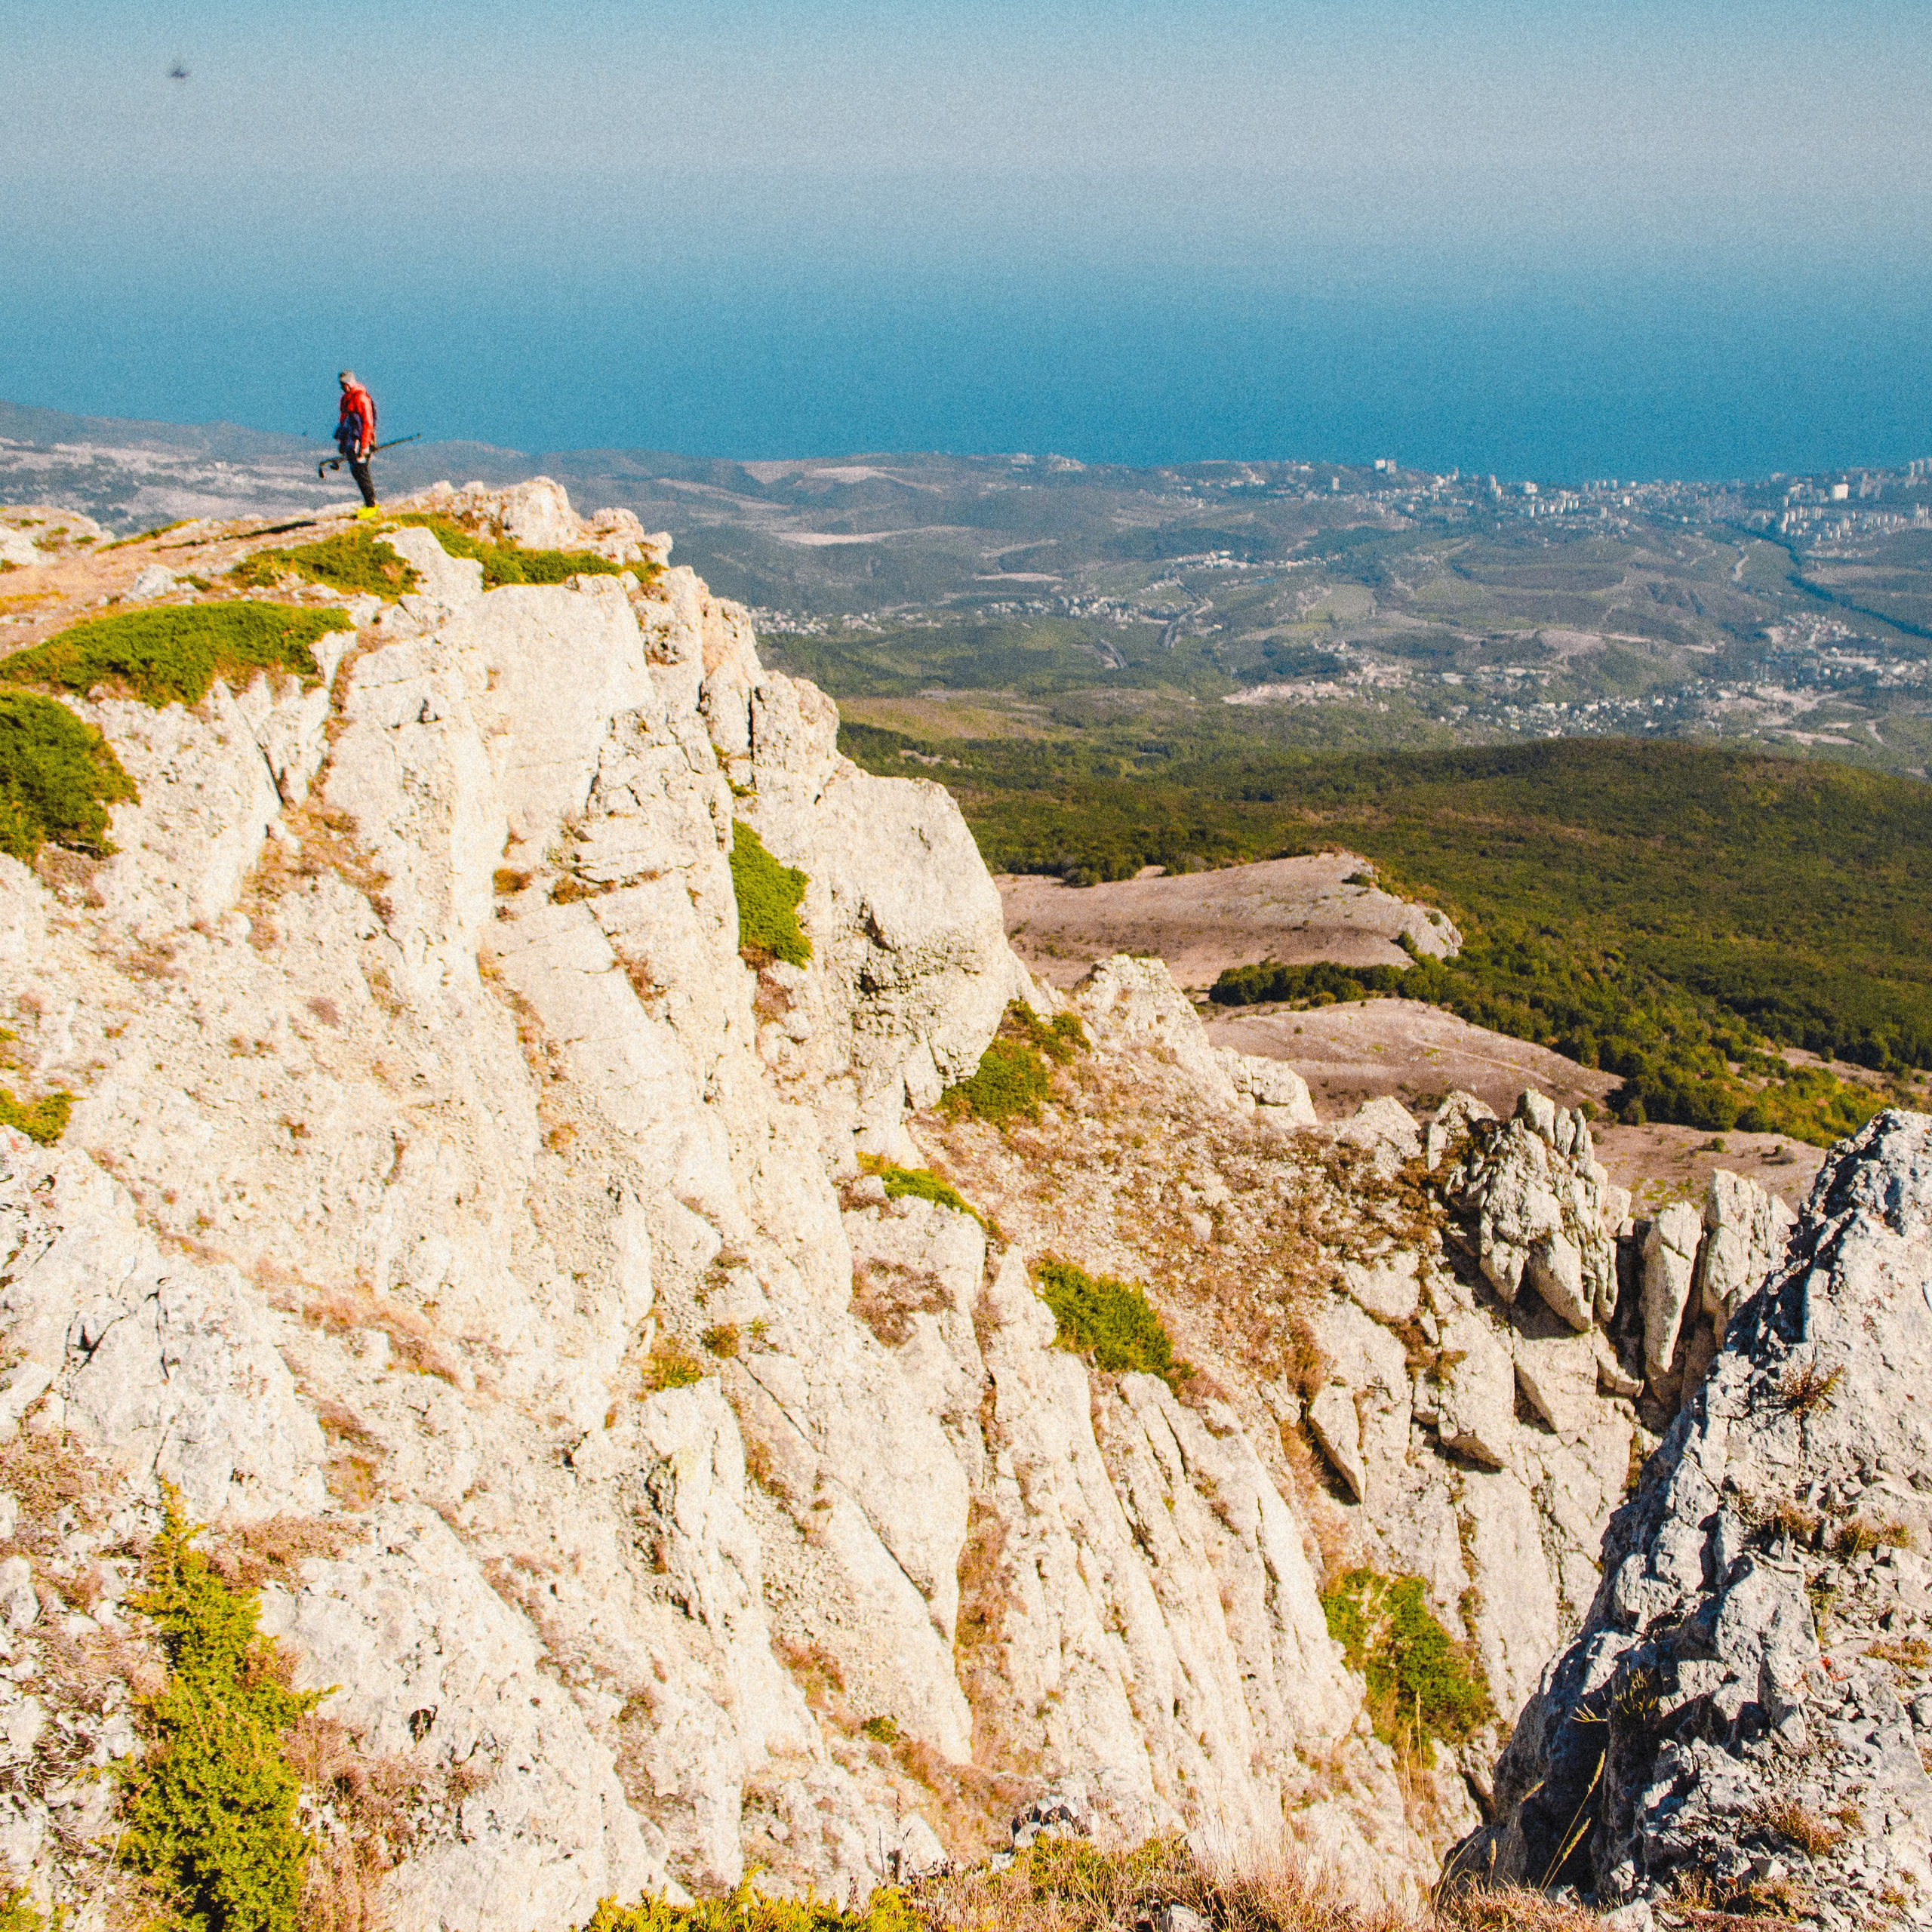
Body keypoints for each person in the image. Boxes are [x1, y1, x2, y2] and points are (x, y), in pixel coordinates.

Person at [336, 371, 378, 508]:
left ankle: (371, 505)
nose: (341, 388)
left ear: (347, 385)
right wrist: (342, 442)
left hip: (361, 442)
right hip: (351, 441)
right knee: (357, 472)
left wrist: (365, 446)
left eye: (342, 385)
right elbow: (344, 420)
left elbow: (368, 423)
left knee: (362, 471)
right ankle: (369, 503)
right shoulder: (346, 399)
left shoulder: (361, 398)